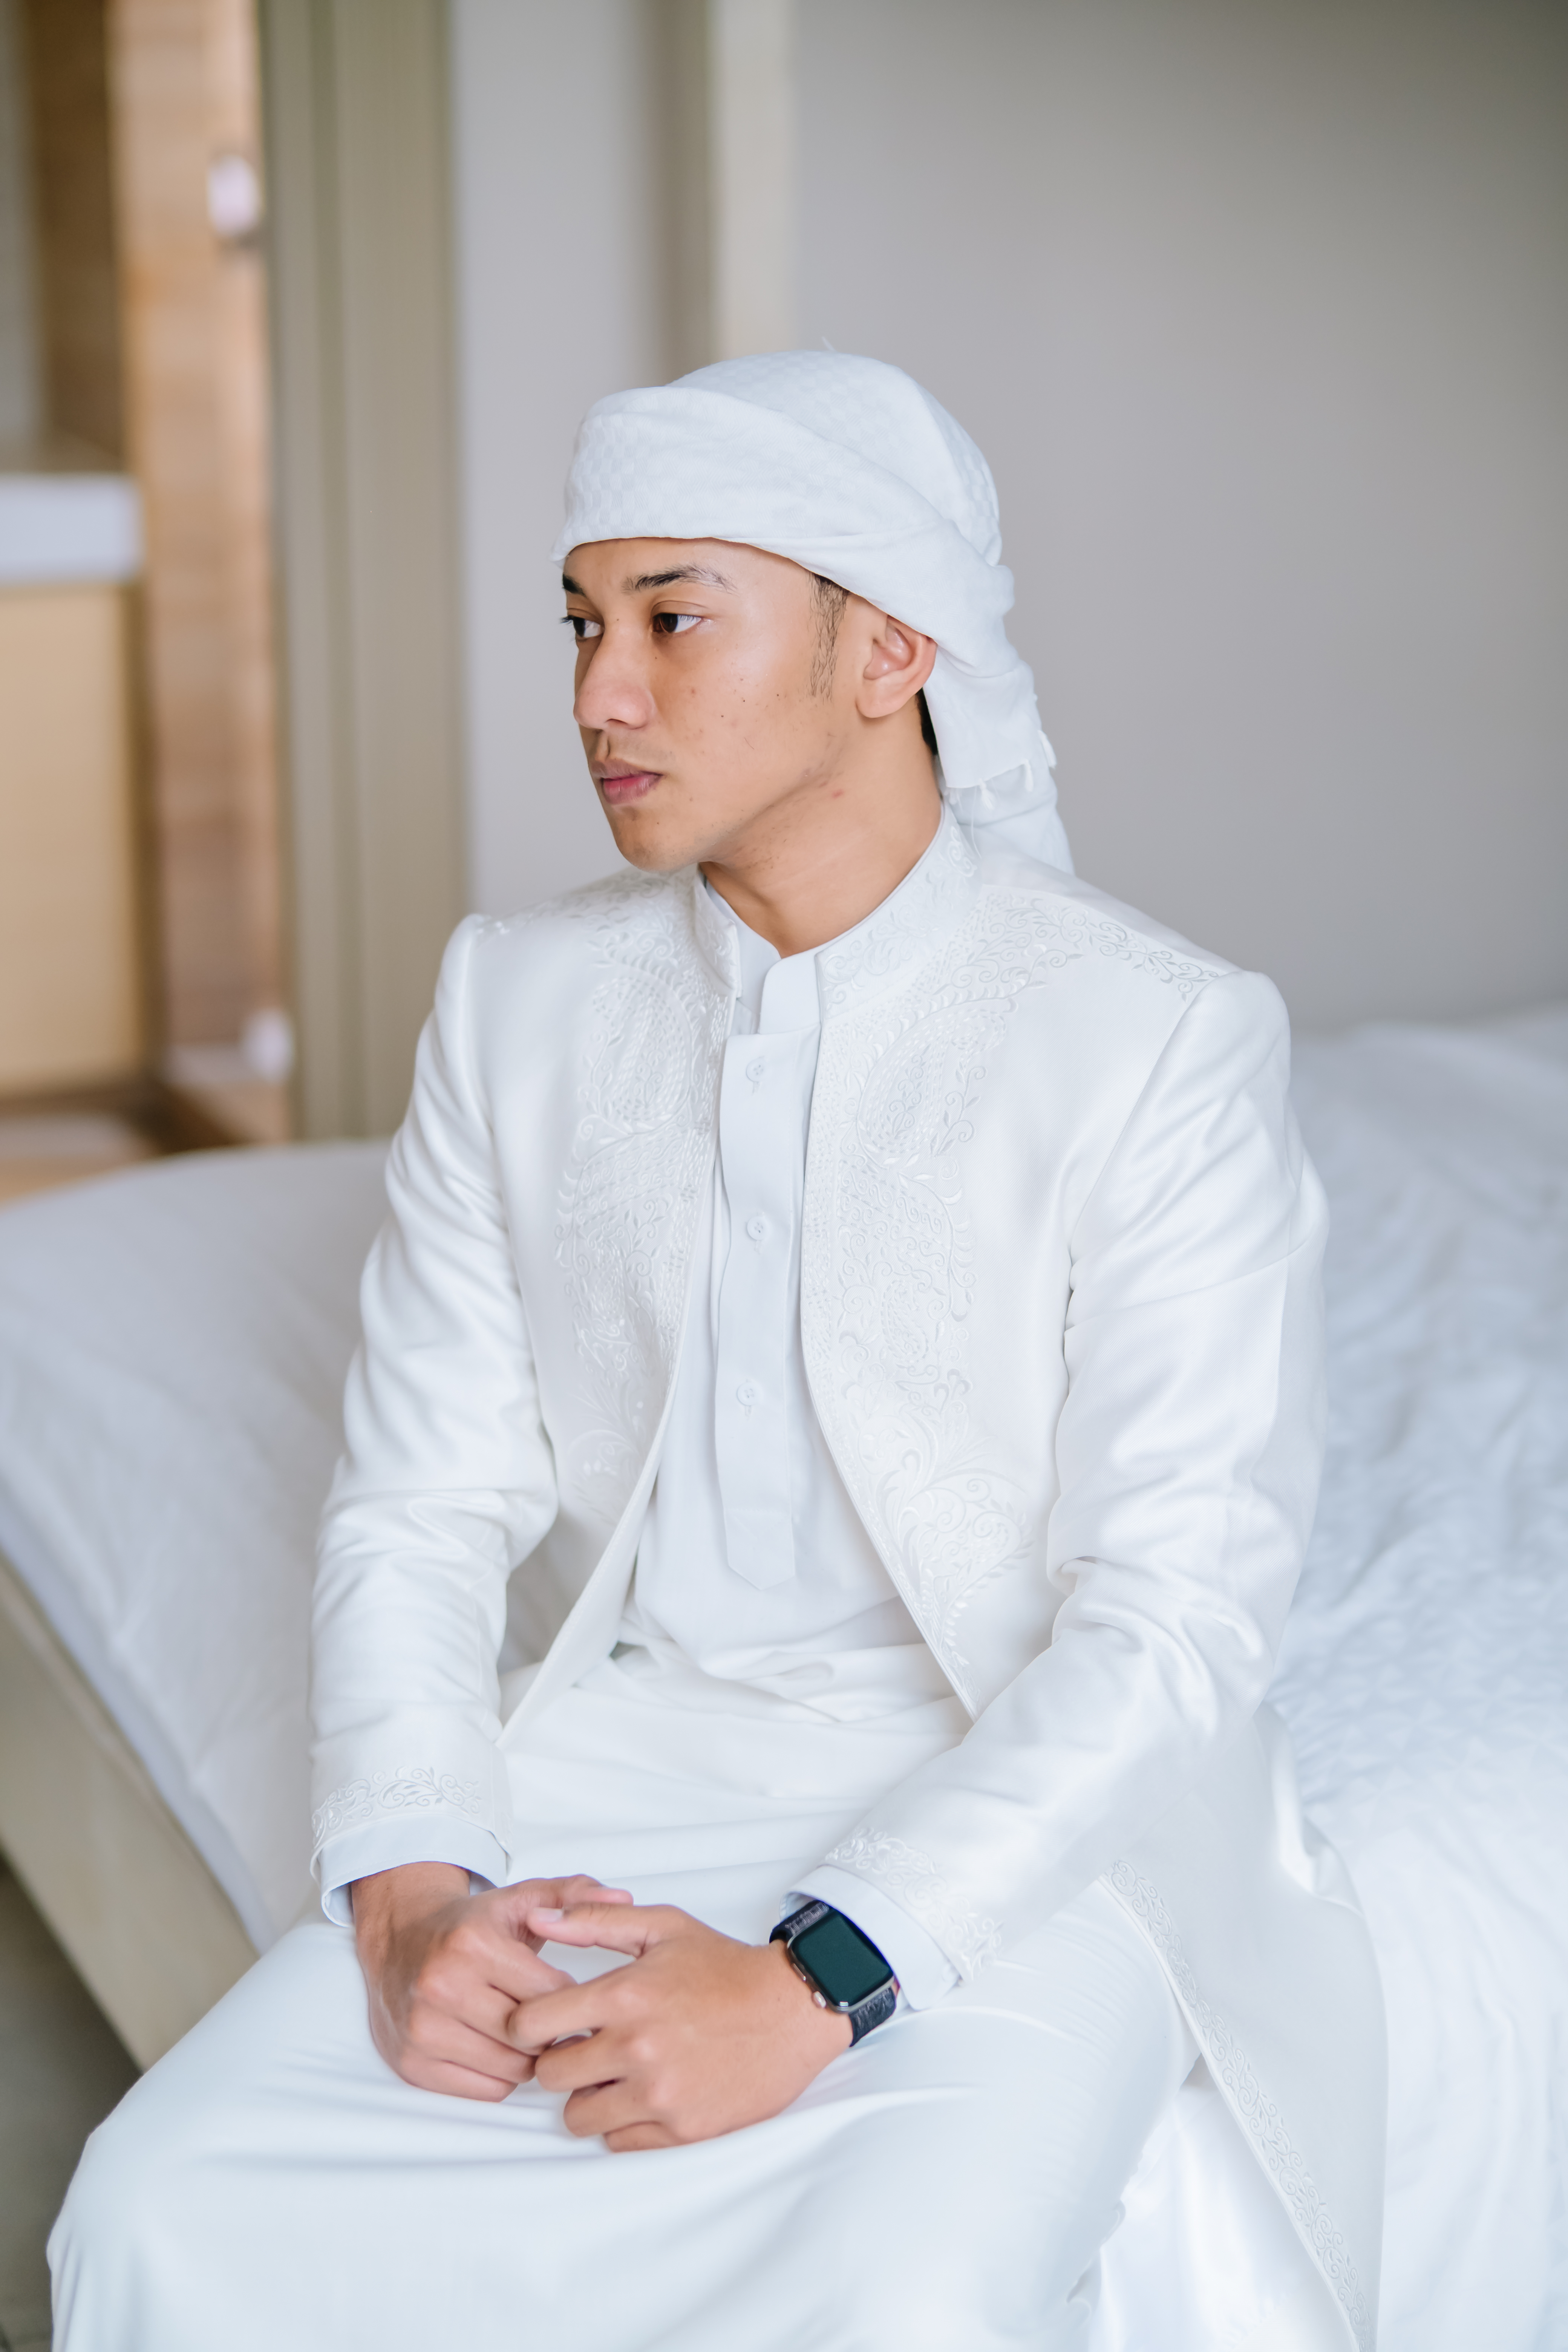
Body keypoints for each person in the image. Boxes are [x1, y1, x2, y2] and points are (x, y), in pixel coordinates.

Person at [51, 352, 1384, 2351]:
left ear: (891, 647)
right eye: (583, 624)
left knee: (900, 2291)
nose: (601, 693)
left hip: (1018, 1832)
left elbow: (1174, 1624)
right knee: (160, 2205)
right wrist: (410, 1889)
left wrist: (816, 1982)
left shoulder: (1159, 1042)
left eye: (674, 619)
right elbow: (419, 1500)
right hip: (609, 1768)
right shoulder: (516, 1000)